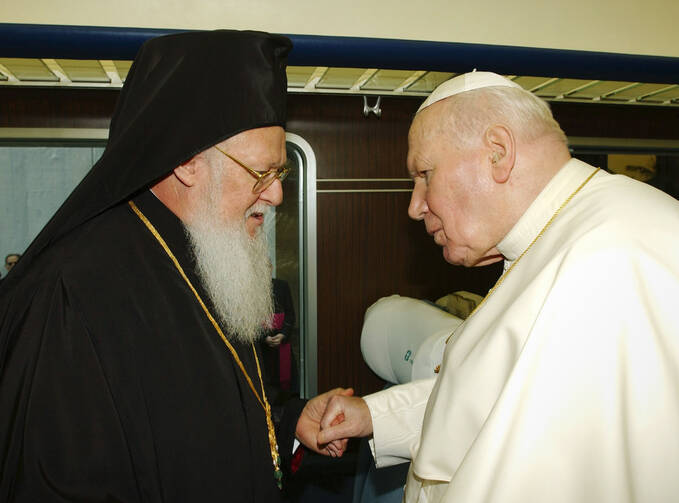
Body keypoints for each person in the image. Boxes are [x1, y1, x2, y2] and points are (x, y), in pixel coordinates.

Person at [0, 30, 349, 502]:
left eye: (281, 172)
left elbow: (204, 415)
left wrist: (290, 423)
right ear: (187, 162)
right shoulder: (72, 295)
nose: (277, 195)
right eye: (261, 173)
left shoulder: (213, 252)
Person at [317, 71, 679, 502]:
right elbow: (498, 394)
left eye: (425, 174)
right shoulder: (563, 239)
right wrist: (374, 415)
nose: (415, 207)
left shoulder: (608, 262)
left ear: (498, 153)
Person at [260, 277, 296, 398]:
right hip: (262, 348)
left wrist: (283, 334)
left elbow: (290, 314)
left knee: (284, 389)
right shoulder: (251, 287)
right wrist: (264, 337)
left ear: (271, 268)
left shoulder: (282, 285)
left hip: (282, 342)